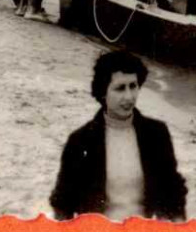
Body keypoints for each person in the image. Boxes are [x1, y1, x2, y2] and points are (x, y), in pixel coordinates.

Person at [50, 51, 187, 222]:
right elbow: (63, 203)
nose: (129, 96)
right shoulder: (81, 141)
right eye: (120, 88)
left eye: (133, 86)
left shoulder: (156, 134)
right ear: (103, 92)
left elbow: (172, 191)